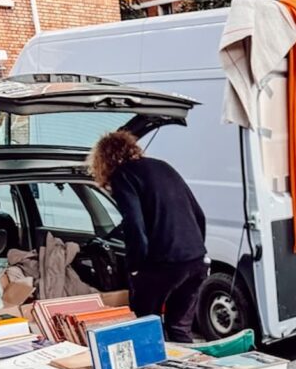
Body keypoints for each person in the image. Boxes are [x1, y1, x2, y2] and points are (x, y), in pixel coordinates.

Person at [88, 130, 207, 342]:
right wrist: (195, 251)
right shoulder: (163, 166)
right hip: (196, 260)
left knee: (145, 325)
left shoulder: (122, 175)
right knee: (179, 328)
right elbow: (199, 214)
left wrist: (135, 268)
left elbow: (135, 225)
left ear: (103, 160)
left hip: (164, 263)